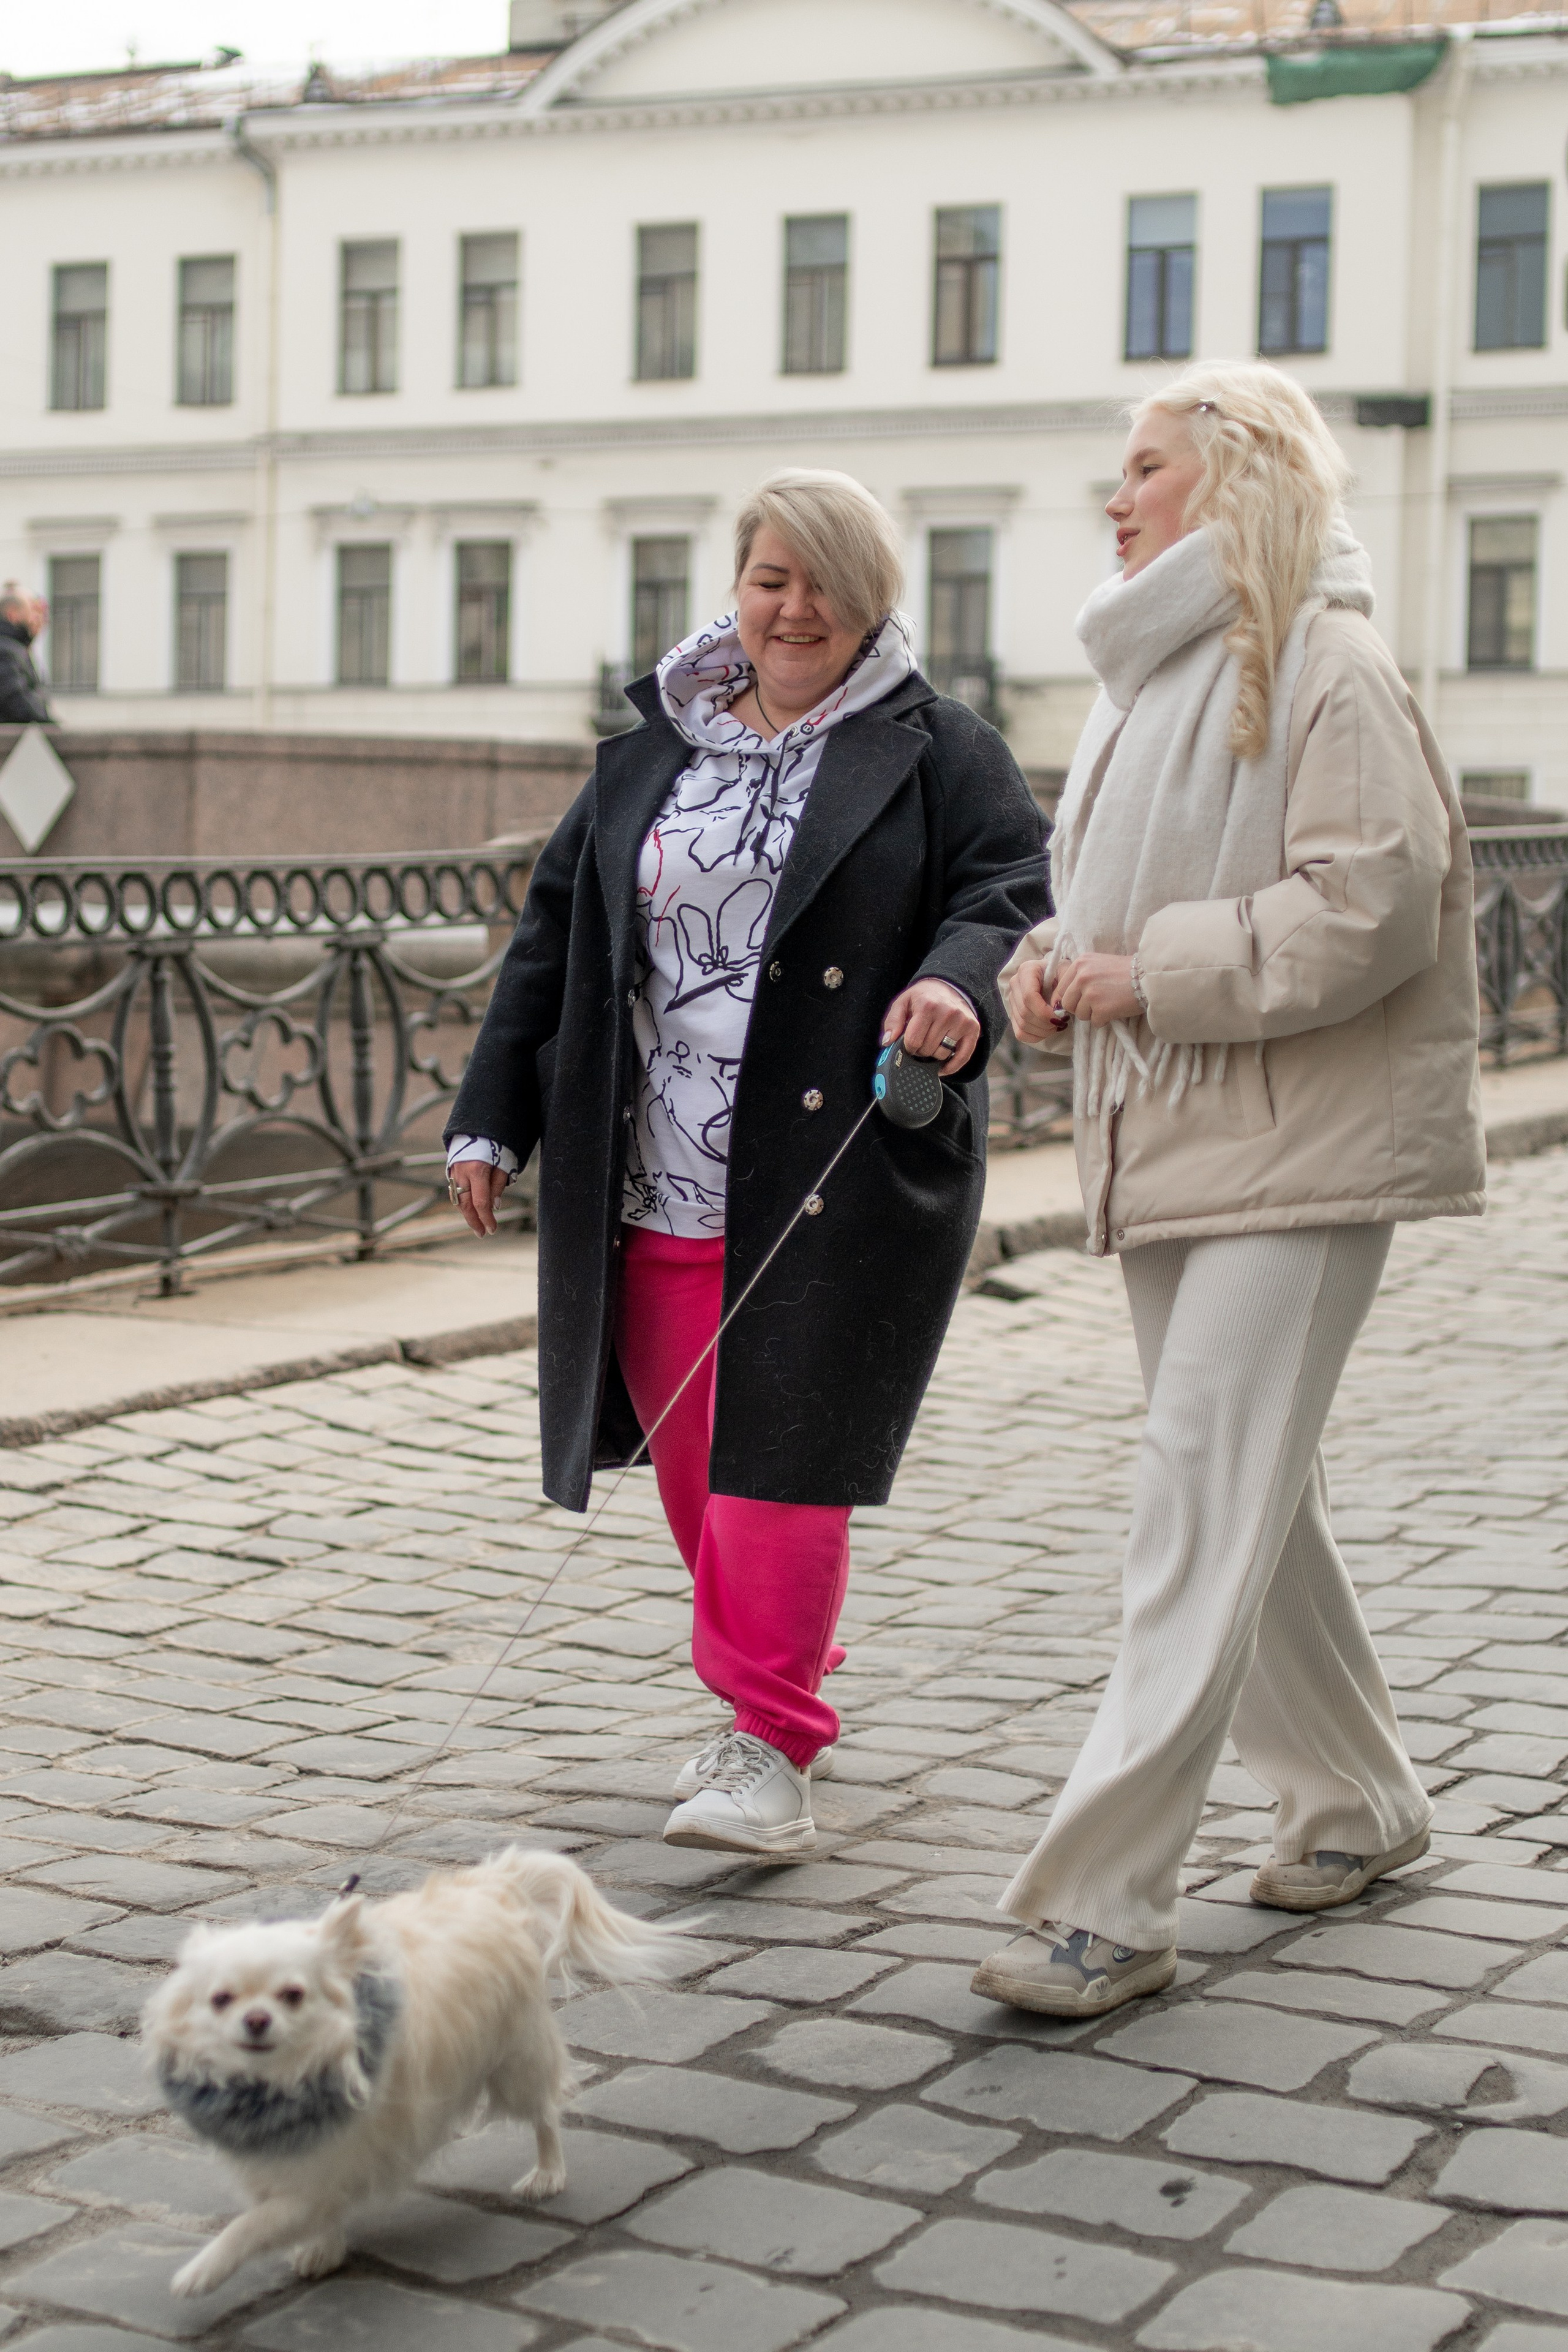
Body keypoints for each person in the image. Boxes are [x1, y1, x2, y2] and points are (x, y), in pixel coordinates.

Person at [972, 362, 1485, 2018]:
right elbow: (1107, 904)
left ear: (1238, 476)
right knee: (1256, 1501)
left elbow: (1373, 906)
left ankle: (1108, 1900)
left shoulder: (1328, 659)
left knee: (1194, 1498)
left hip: (1304, 1148)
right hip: (1176, 1127)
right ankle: (1359, 1798)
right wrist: (1054, 969)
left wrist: (1147, 975)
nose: (1115, 497)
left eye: (1144, 467)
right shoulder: (1148, 676)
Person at [445, 467, 1047, 1856]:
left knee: (781, 1456)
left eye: (825, 583)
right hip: (653, 1163)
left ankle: (769, 1739)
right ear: (737, 587)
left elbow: (1013, 888)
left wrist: (957, 980)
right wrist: (491, 1118)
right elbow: (554, 938)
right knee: (698, 1474)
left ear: (872, 600)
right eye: (771, 577)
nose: (794, 607)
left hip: (833, 1166)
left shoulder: (939, 747)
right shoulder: (655, 746)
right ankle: (775, 1668)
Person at [0, 585, 51, 725]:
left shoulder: (15, 648)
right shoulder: (6, 652)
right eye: (35, 610)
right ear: (13, 613)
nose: (40, 619)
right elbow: (20, 703)